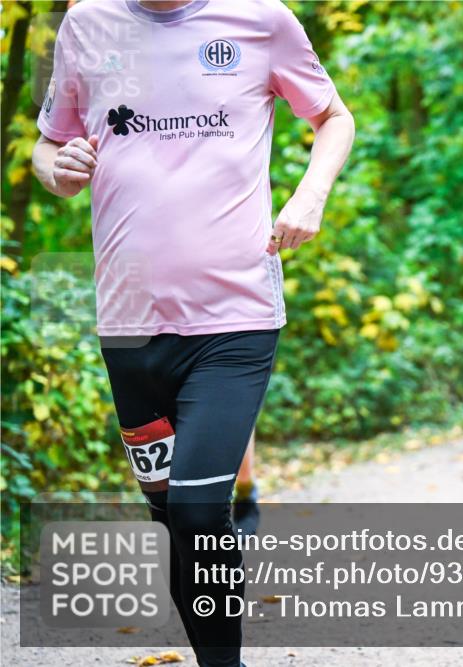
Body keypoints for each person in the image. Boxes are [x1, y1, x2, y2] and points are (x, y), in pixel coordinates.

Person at [32, 1, 355, 665]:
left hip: (235, 318)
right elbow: (48, 143)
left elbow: (333, 118)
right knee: (170, 520)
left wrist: (311, 194)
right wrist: (54, 167)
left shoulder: (260, 20)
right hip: (127, 327)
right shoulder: (85, 24)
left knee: (200, 511)